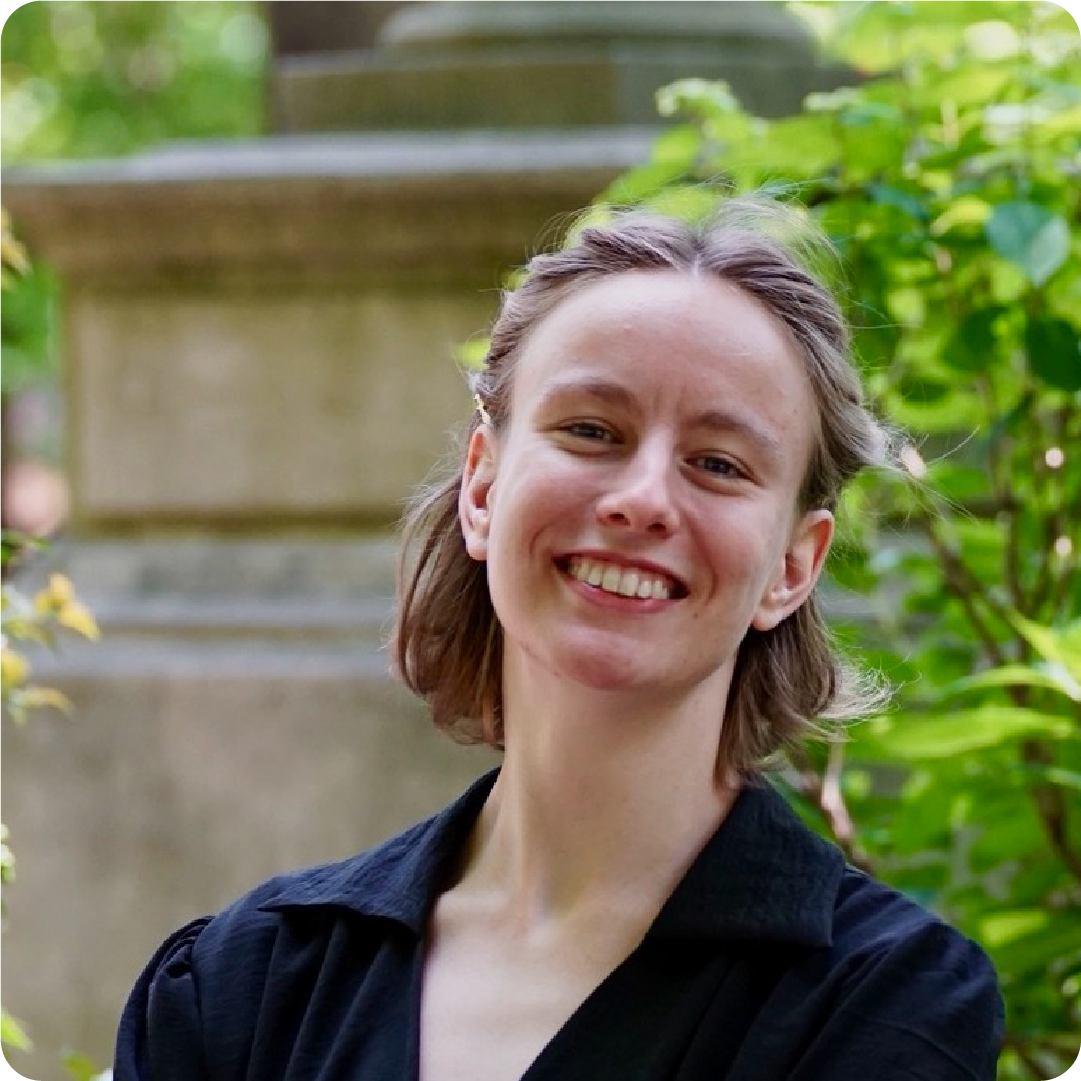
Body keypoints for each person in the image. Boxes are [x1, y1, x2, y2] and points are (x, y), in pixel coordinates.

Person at [113, 199, 1004, 1081]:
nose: (643, 496)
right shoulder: (247, 985)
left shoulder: (888, 1004)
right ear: (482, 489)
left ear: (792, 567)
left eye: (719, 462)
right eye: (591, 430)